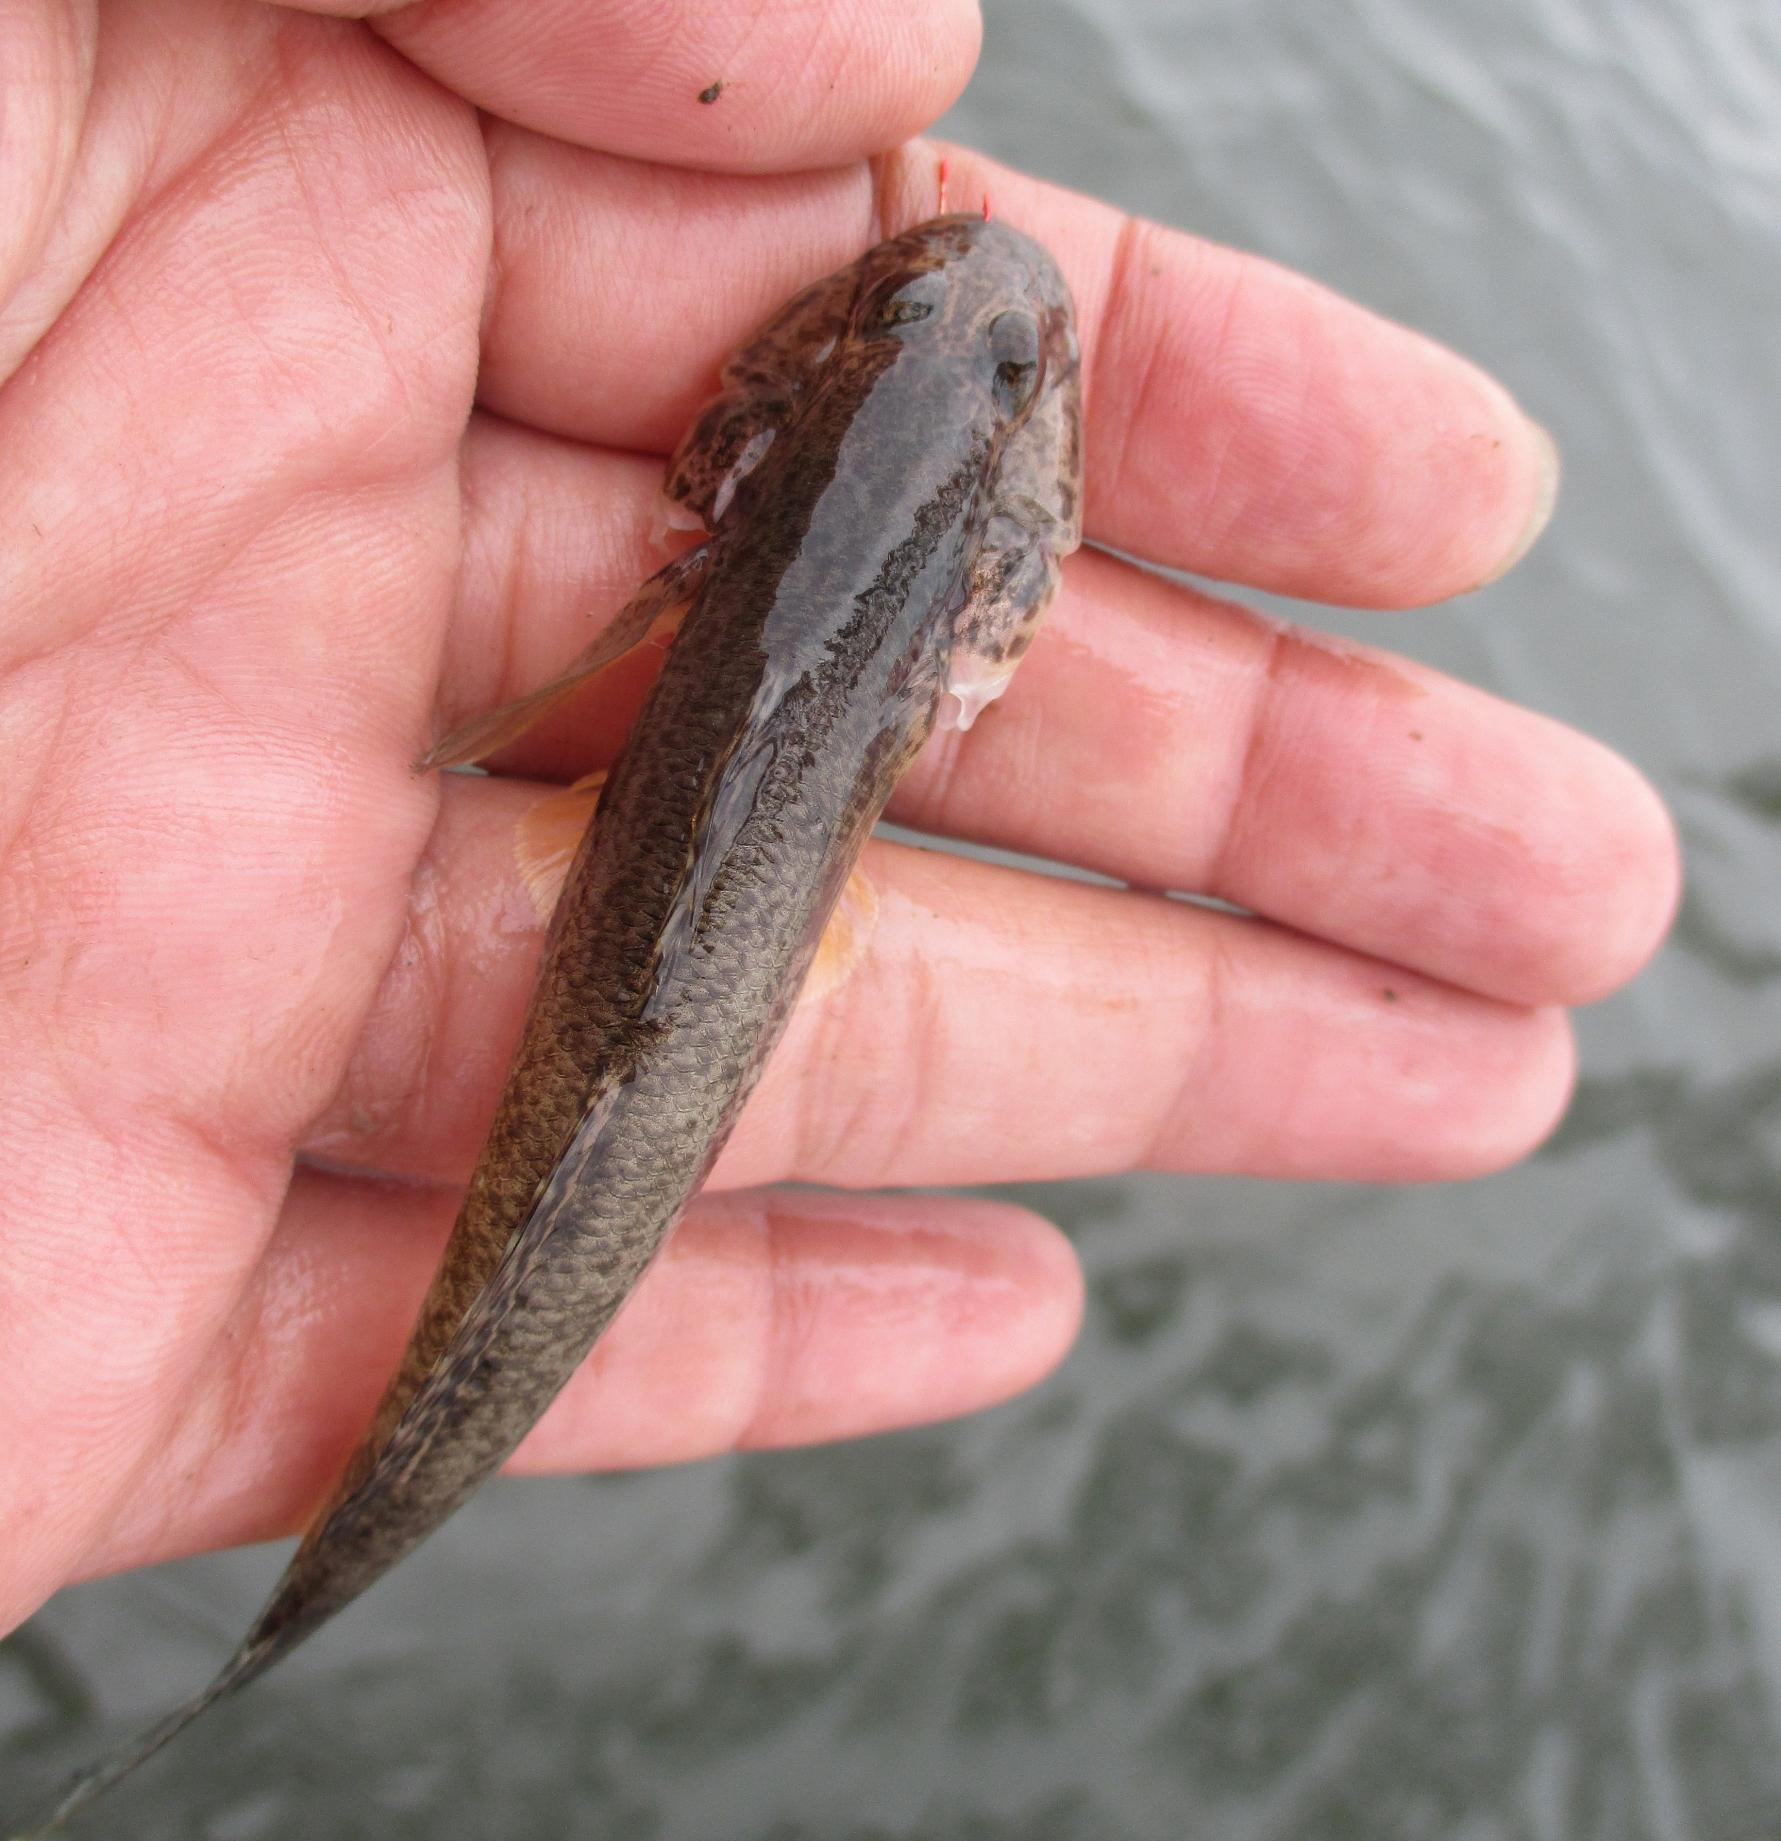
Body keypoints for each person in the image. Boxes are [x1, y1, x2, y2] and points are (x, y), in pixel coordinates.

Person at [0, 0, 1676, 1645]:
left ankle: (307, 1591)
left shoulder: (792, 460)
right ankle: (298, 1603)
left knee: (550, 1236)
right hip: (709, 886)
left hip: (717, 858)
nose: (994, 318)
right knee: (557, 1224)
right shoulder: (971, 522)